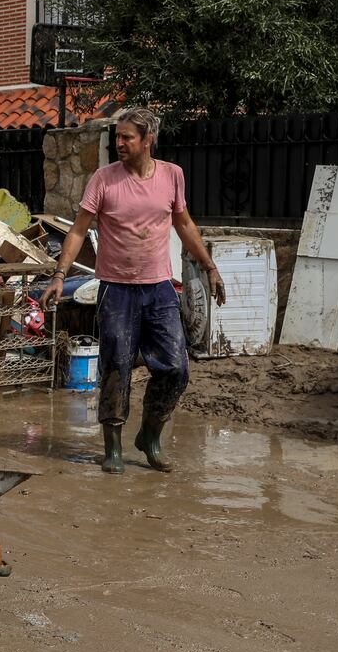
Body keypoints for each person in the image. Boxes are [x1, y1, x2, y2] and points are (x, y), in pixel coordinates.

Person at [41, 108, 226, 475]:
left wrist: (210, 267)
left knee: (175, 368)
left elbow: (184, 223)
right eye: (117, 137)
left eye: (127, 137)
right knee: (116, 367)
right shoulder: (104, 179)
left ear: (147, 140)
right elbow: (78, 231)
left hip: (158, 289)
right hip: (117, 290)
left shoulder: (172, 175)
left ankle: (150, 437)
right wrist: (59, 275)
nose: (119, 143)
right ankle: (112, 447)